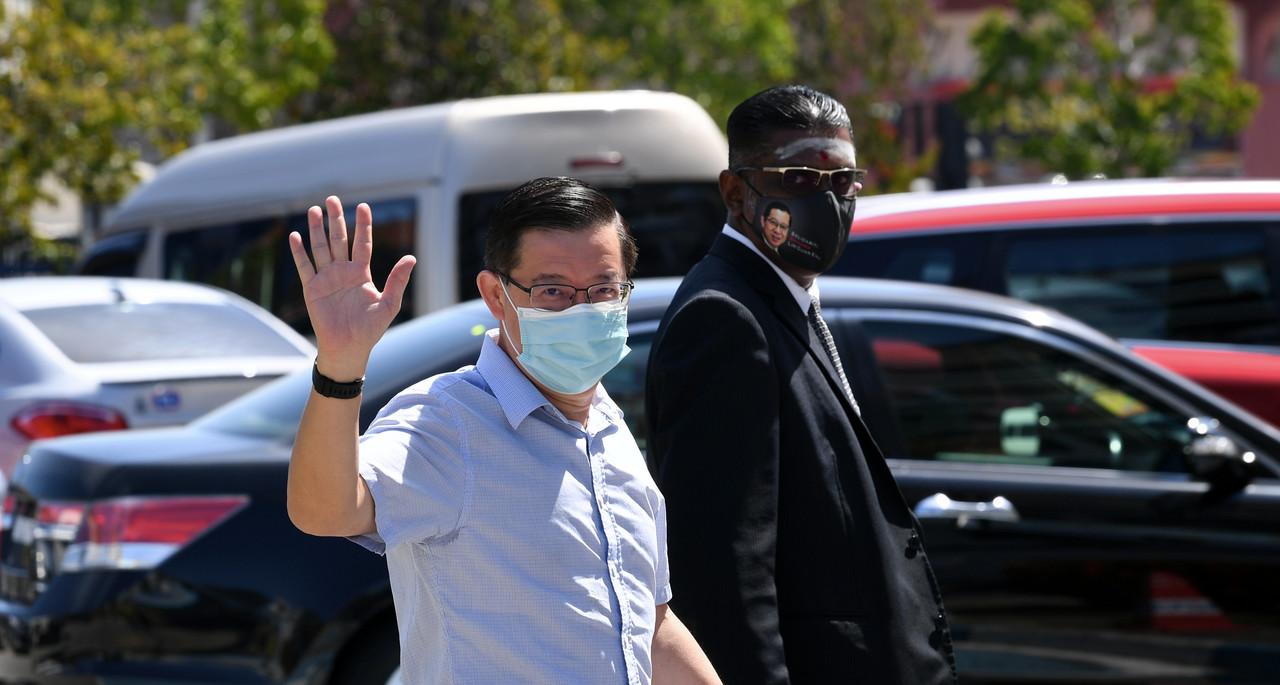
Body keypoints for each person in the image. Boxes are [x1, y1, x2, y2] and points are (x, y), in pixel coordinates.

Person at [286, 178, 719, 684]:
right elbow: (324, 510)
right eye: (552, 291)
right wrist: (340, 365)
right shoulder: (448, 422)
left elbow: (647, 624)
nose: (581, 310)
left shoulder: (609, 428)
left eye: (603, 289)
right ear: (496, 294)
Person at [645, 85, 959, 684]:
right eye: (800, 179)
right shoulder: (725, 319)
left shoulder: (785, 302)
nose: (829, 201)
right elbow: (725, 573)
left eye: (843, 181)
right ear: (737, 193)